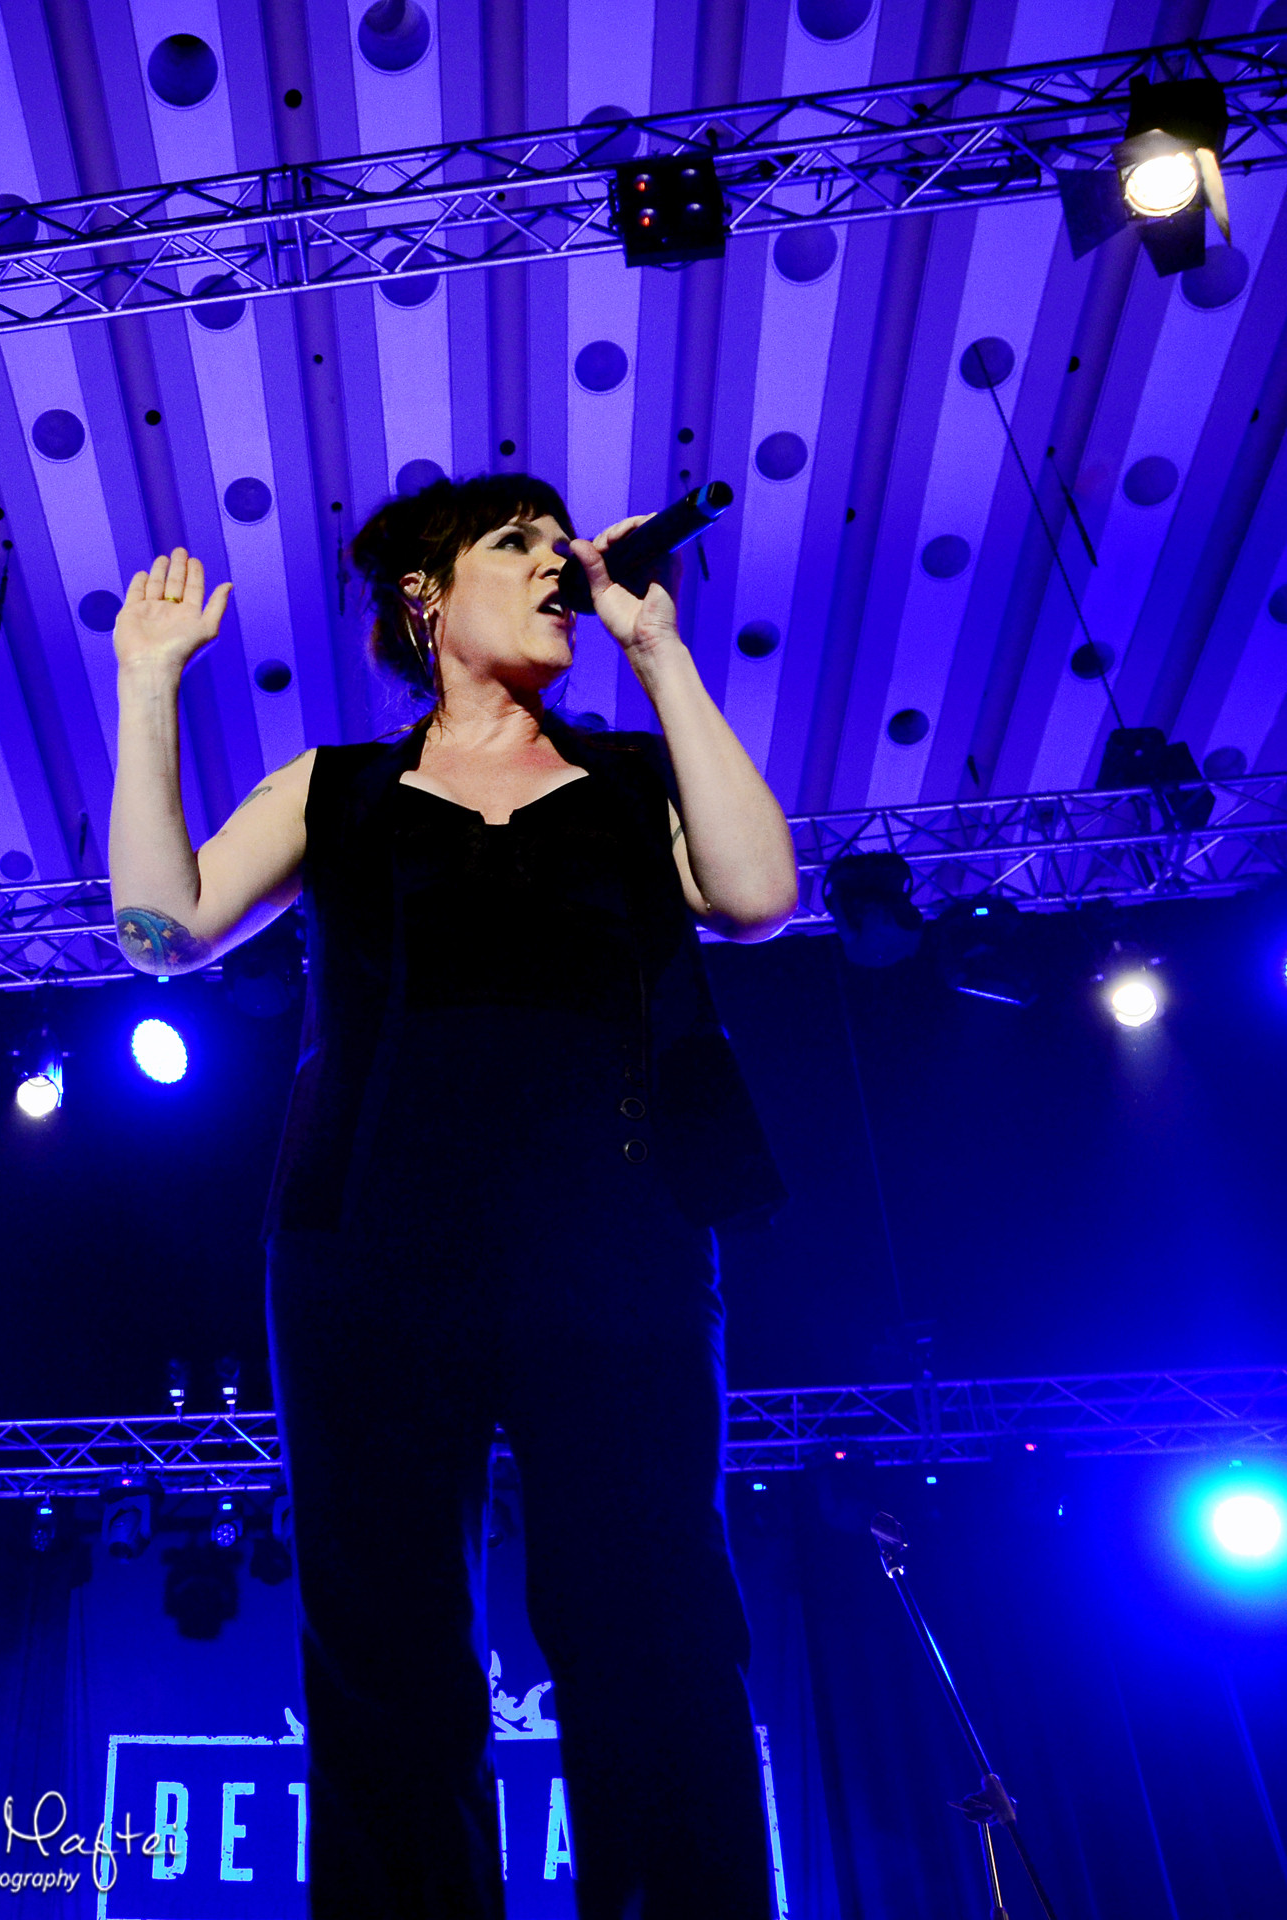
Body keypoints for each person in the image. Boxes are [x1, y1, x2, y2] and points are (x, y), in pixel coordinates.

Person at [109, 473, 798, 1919]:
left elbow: (754, 897)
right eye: (517, 543)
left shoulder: (631, 780)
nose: (557, 565)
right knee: (385, 1637)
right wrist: (149, 685)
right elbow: (163, 931)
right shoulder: (335, 790)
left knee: (653, 1613)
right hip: (369, 1249)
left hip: (615, 1239)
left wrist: (658, 650)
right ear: (424, 596)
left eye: (561, 545)